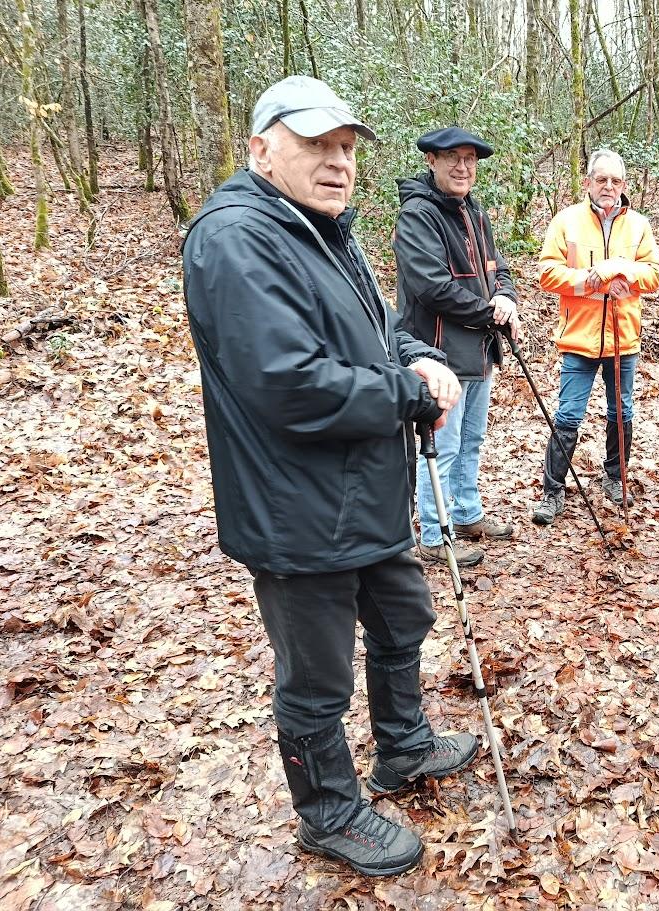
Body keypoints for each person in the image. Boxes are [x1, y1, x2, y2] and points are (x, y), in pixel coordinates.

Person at [182, 75, 480, 877]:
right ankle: (328, 812)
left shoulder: (322, 228)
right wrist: (406, 392)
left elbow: (374, 330)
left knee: (402, 617)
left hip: (364, 491)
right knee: (315, 676)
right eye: (316, 144)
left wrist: (414, 354)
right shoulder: (236, 238)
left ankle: (403, 745)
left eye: (346, 147)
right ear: (261, 149)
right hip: (296, 508)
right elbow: (288, 384)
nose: (338, 162)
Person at [394, 127, 519, 568]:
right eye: (453, 158)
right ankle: (434, 533)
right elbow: (432, 287)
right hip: (439, 352)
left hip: (480, 349)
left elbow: (499, 268)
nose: (463, 167)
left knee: (471, 439)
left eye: (470, 159)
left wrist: (506, 297)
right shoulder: (418, 215)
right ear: (432, 160)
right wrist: (490, 313)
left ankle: (466, 513)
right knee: (442, 446)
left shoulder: (474, 211)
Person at [532, 149, 659, 524]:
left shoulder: (638, 225)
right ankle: (552, 492)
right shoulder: (566, 221)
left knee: (622, 411)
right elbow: (547, 273)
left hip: (624, 337)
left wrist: (622, 271)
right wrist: (589, 281)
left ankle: (615, 478)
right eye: (601, 179)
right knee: (568, 415)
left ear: (624, 184)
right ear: (587, 182)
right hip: (579, 338)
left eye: (615, 180)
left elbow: (654, 273)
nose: (608, 186)